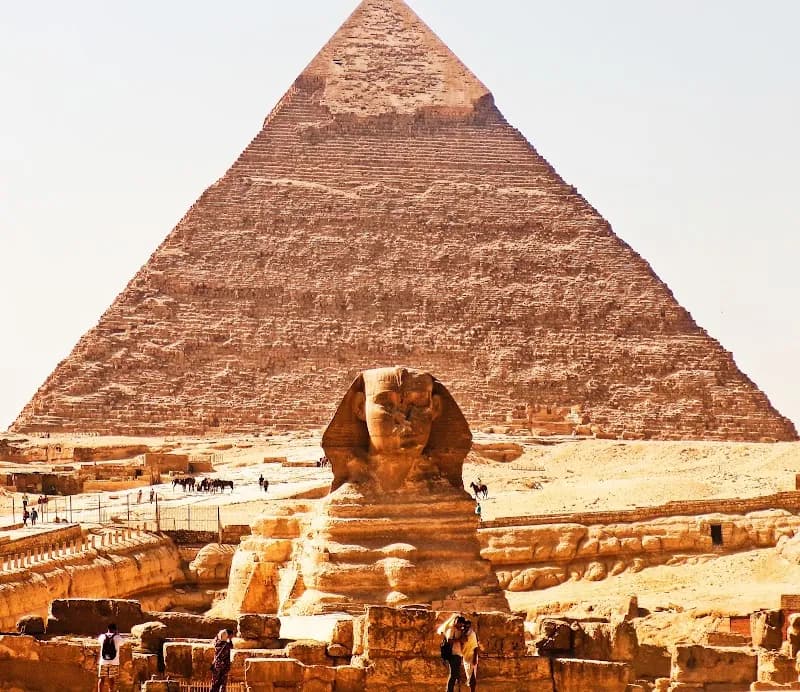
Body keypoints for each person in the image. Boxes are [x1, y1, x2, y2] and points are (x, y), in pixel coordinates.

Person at [438, 615, 479, 692]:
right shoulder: (451, 630)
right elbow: (450, 641)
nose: (461, 626)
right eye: (459, 623)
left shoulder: (462, 631)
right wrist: (460, 639)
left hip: (459, 655)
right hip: (453, 655)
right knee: (453, 675)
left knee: (456, 675)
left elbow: (471, 644)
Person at [97, 622, 124, 692]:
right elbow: (122, 643)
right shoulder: (117, 637)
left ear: (108, 629)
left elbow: (99, 641)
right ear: (115, 629)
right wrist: (118, 634)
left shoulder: (102, 636)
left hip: (103, 661)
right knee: (111, 679)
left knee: (101, 679)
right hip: (114, 661)